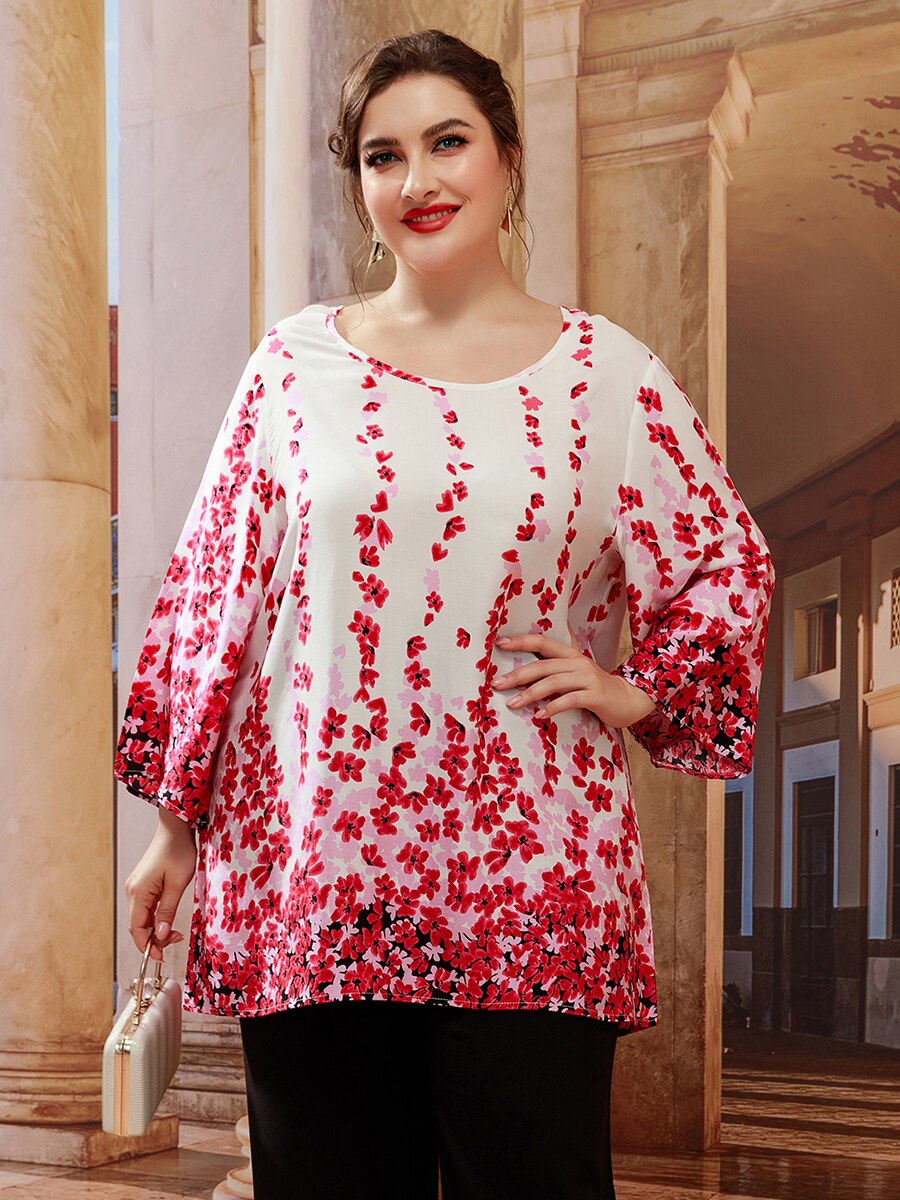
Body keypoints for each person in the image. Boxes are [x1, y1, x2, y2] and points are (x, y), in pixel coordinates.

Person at [116, 27, 775, 1200]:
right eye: (383, 155)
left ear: (507, 158)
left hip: (538, 874)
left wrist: (638, 689)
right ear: (360, 184)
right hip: (320, 871)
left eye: (447, 142)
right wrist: (176, 826)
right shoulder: (293, 369)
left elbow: (724, 562)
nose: (416, 179)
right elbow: (216, 596)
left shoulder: (608, 378)